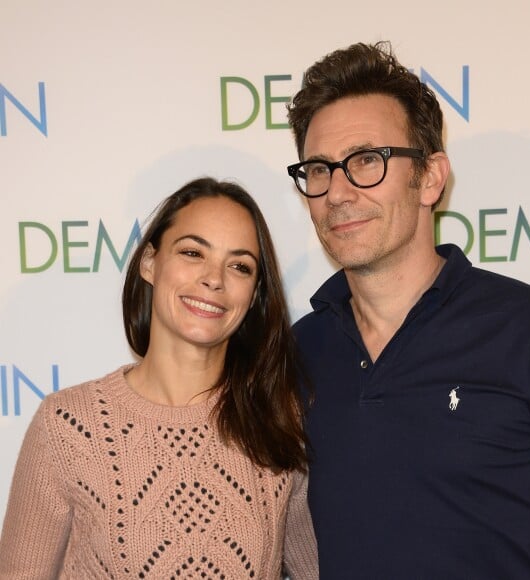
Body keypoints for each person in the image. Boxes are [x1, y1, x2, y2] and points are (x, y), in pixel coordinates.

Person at [285, 41, 530, 578]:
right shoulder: (294, 352)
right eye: (319, 169)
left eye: (367, 161)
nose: (338, 191)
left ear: (430, 177)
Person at [0, 177, 318, 579]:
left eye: (239, 266)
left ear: (254, 294)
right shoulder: (68, 427)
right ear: (150, 263)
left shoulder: (277, 417)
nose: (214, 278)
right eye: (192, 252)